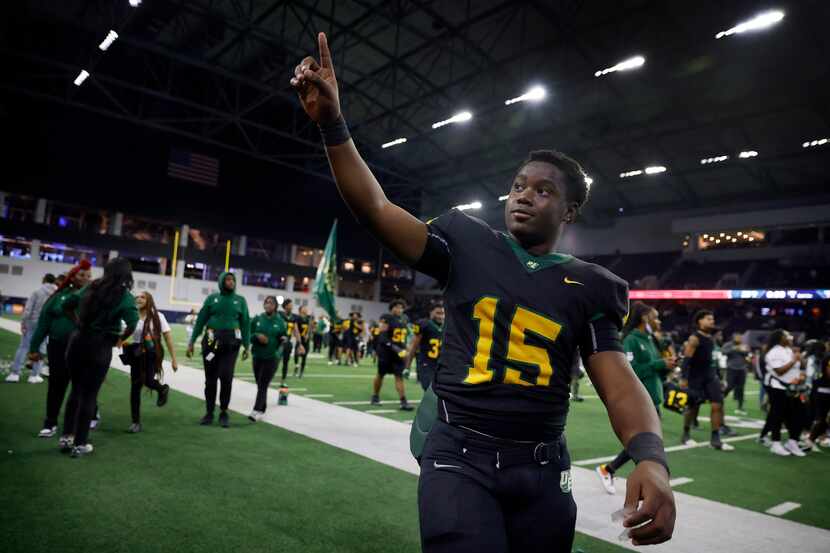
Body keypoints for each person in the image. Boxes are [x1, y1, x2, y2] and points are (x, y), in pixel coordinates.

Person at [290, 34, 675, 551]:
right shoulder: (467, 242)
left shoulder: (591, 285)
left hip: (541, 464)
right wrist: (334, 125)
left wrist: (650, 455)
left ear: (569, 211)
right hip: (457, 451)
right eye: (518, 185)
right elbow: (376, 210)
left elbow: (619, 382)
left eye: (543, 190)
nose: (523, 195)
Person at [62, 257, 138, 457]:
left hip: (77, 342)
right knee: (89, 395)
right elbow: (132, 323)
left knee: (75, 390)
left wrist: (78, 323)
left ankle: (67, 437)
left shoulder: (91, 287)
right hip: (101, 345)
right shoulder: (125, 296)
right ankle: (80, 443)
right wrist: (120, 339)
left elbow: (67, 304)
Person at [596, 302, 676, 495]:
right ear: (644, 318)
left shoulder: (650, 339)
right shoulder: (631, 340)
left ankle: (611, 470)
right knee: (647, 443)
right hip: (641, 399)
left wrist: (667, 365)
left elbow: (655, 369)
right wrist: (659, 363)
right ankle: (614, 472)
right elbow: (631, 371)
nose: (658, 321)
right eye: (655, 317)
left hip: (653, 396)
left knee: (648, 443)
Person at [28, 261, 93, 440]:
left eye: (88, 276)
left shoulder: (93, 297)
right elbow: (43, 323)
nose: (85, 279)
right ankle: (50, 423)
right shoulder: (58, 296)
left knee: (82, 387)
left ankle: (77, 425)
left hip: (83, 348)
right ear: (72, 276)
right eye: (81, 275)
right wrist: (34, 347)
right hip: (58, 346)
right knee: (57, 385)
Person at [187, 271, 250, 428]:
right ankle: (209, 413)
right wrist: (191, 342)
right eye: (227, 279)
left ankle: (223, 411)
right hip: (210, 341)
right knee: (210, 379)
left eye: (233, 279)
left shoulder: (240, 301)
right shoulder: (212, 299)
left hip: (231, 343)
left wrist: (247, 346)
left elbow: (246, 324)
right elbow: (200, 320)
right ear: (221, 281)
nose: (231, 282)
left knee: (226, 377)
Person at [125, 291, 179, 433]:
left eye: (143, 297)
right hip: (136, 353)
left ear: (149, 300)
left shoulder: (158, 316)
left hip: (151, 353)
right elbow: (125, 332)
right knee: (135, 386)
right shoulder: (132, 315)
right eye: (137, 297)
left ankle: (162, 389)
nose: (139, 299)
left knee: (148, 381)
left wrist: (174, 359)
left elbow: (167, 337)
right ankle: (135, 422)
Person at [679, 310, 734, 450]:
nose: (712, 321)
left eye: (712, 319)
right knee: (692, 406)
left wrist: (720, 378)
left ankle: (715, 439)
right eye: (709, 319)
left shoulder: (711, 337)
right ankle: (686, 434)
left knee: (717, 404)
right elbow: (686, 360)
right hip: (695, 377)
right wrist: (684, 378)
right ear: (700, 321)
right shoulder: (694, 338)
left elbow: (712, 360)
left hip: (710, 376)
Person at [763, 330, 806, 457]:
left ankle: (792, 442)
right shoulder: (774, 352)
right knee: (778, 415)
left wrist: (801, 373)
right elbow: (779, 371)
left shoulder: (789, 350)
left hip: (794, 388)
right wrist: (793, 360)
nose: (791, 337)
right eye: (788, 335)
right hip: (778, 387)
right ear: (780, 338)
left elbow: (800, 366)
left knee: (799, 415)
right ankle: (776, 444)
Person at [9, 273, 56, 383]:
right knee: (41, 349)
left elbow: (28, 309)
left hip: (32, 322)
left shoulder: (37, 292)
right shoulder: (56, 293)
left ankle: (15, 373)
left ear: (44, 280)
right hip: (46, 324)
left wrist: (23, 322)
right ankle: (34, 375)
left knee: (24, 347)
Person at [249, 296, 287, 421]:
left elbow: (284, 339)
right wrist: (257, 336)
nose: (268, 305)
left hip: (271, 358)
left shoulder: (280, 322)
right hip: (257, 356)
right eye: (266, 303)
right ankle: (262, 408)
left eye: (271, 303)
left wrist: (278, 353)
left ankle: (256, 410)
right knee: (260, 384)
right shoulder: (258, 319)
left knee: (263, 384)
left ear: (275, 306)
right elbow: (248, 334)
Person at [372, 313, 413, 411]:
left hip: (398, 354)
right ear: (392, 308)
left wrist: (405, 349)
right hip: (385, 353)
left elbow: (403, 339)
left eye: (401, 307)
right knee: (380, 374)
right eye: (397, 307)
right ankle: (375, 396)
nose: (399, 309)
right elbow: (381, 335)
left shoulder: (404, 319)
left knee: (399, 377)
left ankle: (403, 401)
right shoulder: (387, 318)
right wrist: (394, 347)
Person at [405, 303, 444, 391]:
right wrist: (407, 367)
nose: (441, 316)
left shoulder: (447, 326)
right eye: (438, 313)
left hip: (442, 365)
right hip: (427, 364)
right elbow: (413, 347)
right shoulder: (424, 324)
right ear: (431, 312)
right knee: (430, 389)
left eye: (442, 313)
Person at [721, 332, 751, 416]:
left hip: (742, 368)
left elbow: (747, 354)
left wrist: (745, 351)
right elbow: (723, 352)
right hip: (731, 368)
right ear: (733, 338)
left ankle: (740, 407)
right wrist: (734, 348)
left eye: (740, 337)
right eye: (738, 337)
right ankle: (720, 400)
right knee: (729, 386)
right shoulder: (728, 344)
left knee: (741, 388)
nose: (739, 339)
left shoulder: (744, 345)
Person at [806, 353, 830, 449]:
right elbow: (813, 401)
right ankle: (811, 438)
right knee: (820, 420)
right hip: (821, 405)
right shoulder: (818, 382)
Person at [278, 298, 304, 385]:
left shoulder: (293, 317)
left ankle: (283, 378)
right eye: (290, 305)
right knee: (275, 360)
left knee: (286, 361)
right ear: (285, 306)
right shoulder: (279, 315)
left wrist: (300, 343)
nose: (292, 306)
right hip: (278, 341)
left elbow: (296, 331)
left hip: (287, 342)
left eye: (292, 305)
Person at [293, 305, 312, 377]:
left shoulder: (308, 318)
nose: (306, 309)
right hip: (299, 339)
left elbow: (310, 328)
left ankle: (301, 371)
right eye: (304, 308)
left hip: (306, 339)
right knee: (296, 354)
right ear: (300, 310)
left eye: (306, 308)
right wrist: (298, 337)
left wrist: (308, 334)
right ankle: (296, 365)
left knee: (304, 356)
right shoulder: (297, 318)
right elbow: (295, 329)